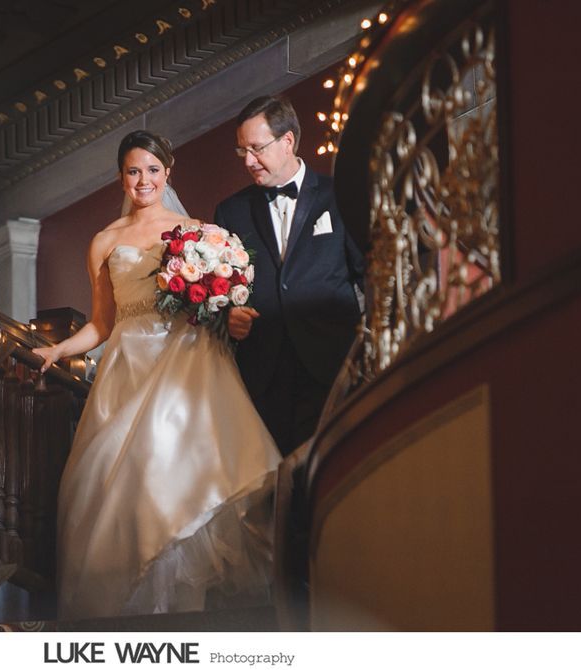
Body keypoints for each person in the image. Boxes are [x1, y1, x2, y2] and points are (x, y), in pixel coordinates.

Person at [33, 130, 281, 620]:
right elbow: (102, 323)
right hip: (128, 365)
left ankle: (193, 612)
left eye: (151, 170)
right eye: (133, 171)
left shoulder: (199, 233)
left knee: (179, 468)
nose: (142, 180)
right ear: (121, 178)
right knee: (123, 484)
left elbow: (219, 306)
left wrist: (231, 314)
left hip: (187, 361)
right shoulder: (104, 241)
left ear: (168, 172)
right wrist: (60, 348)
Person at [215, 96, 365, 457]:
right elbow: (220, 293)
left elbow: (370, 275)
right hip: (264, 375)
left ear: (288, 141)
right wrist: (228, 316)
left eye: (256, 148)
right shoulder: (231, 211)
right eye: (242, 151)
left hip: (334, 366)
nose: (248, 160)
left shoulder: (339, 194)